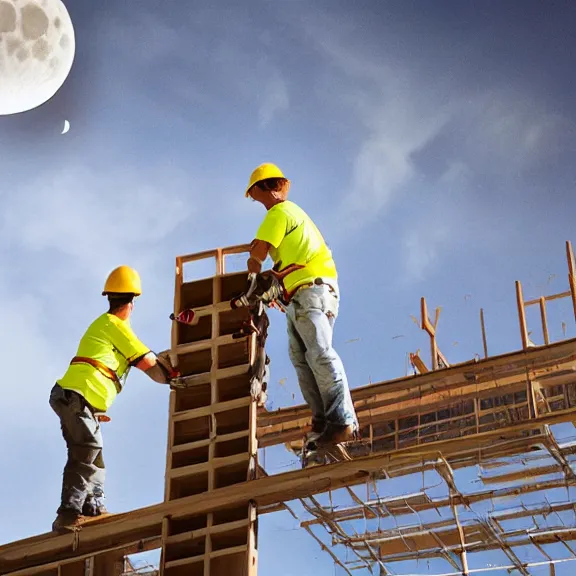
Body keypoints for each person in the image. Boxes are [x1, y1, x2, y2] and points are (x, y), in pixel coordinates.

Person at [49, 265, 178, 532]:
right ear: (132, 302)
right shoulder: (114, 325)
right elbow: (150, 364)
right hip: (77, 397)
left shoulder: (107, 326)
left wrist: (168, 373)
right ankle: (68, 513)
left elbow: (151, 369)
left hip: (78, 400)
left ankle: (91, 508)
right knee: (87, 448)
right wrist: (175, 369)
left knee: (96, 458)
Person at [244, 162, 358, 453]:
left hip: (312, 291)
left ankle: (342, 419)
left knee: (318, 352)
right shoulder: (292, 214)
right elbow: (284, 262)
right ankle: (322, 422)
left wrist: (251, 281)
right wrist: (276, 288)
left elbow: (257, 254)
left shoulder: (279, 212)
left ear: (259, 189)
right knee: (302, 358)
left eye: (255, 194)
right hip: (302, 294)